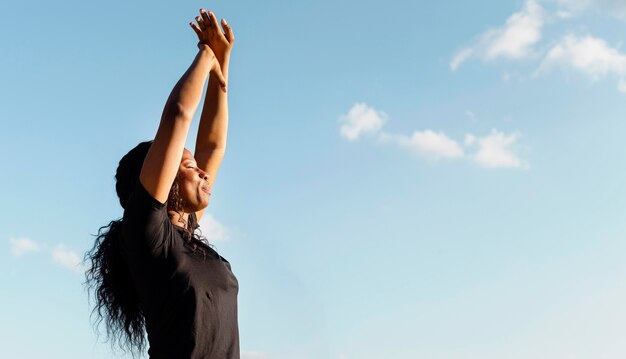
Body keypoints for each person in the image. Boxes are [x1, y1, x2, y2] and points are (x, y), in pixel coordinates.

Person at [85, 8, 239, 358]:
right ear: (163, 175)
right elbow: (178, 116)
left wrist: (221, 71)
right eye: (187, 165)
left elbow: (213, 146)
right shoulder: (149, 235)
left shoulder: (185, 234)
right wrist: (206, 53)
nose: (202, 171)